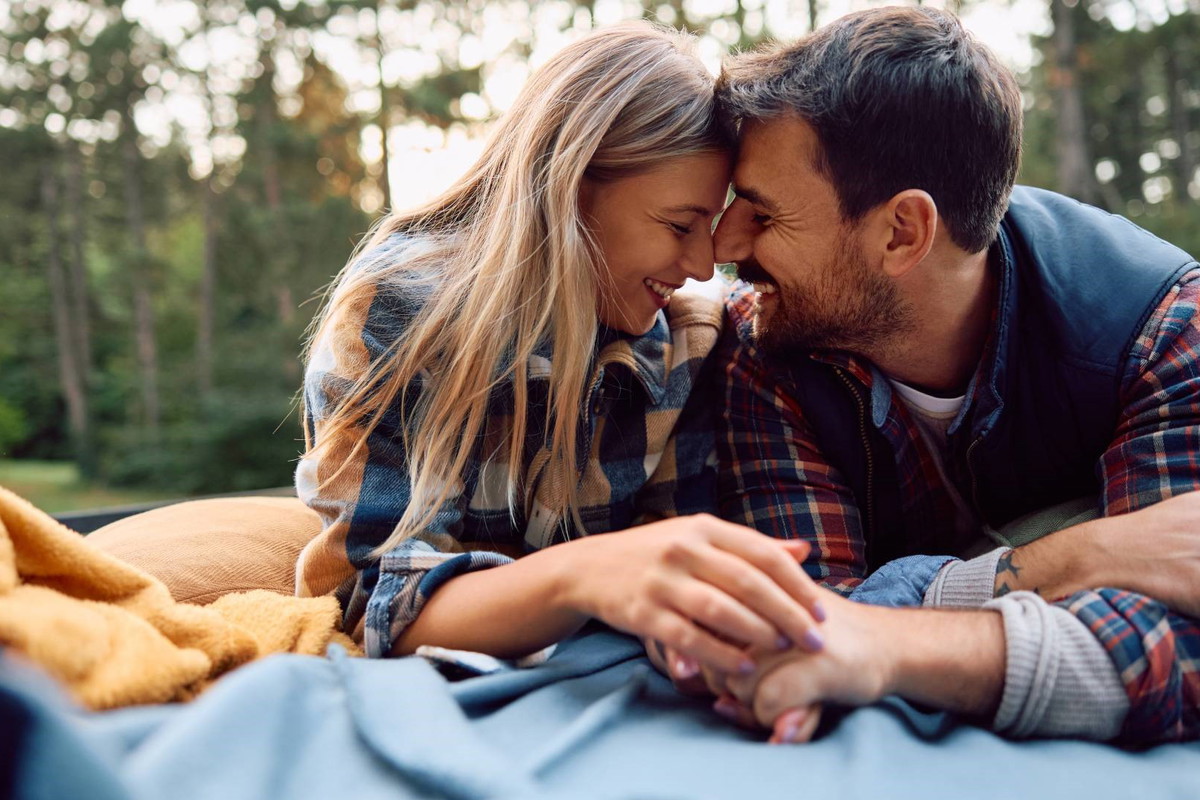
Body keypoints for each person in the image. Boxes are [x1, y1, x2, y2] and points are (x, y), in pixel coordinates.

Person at [706, 6, 1200, 745]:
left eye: (763, 215)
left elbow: (1178, 646)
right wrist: (1079, 556)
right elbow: (801, 630)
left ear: (902, 232)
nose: (722, 245)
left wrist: (888, 644)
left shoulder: (1160, 331)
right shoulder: (769, 345)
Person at [292, 22, 827, 674]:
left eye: (708, 227)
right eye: (679, 225)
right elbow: (376, 606)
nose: (701, 264)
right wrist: (584, 574)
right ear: (568, 191)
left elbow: (674, 563)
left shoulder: (690, 340)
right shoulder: (399, 316)